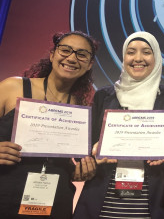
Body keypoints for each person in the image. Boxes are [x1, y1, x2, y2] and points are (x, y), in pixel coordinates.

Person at [73, 31, 164, 219]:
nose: (138, 58)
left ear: (156, 57)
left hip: (154, 199)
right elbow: (83, 148)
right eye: (131, 52)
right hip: (104, 199)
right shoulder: (104, 96)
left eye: (146, 52)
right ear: (124, 57)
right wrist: (93, 151)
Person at [0, 30, 98, 218]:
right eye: (65, 50)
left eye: (81, 54)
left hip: (55, 201)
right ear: (52, 54)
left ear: (89, 64)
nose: (71, 58)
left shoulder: (80, 110)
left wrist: (79, 171)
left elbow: (67, 163)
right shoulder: (13, 87)